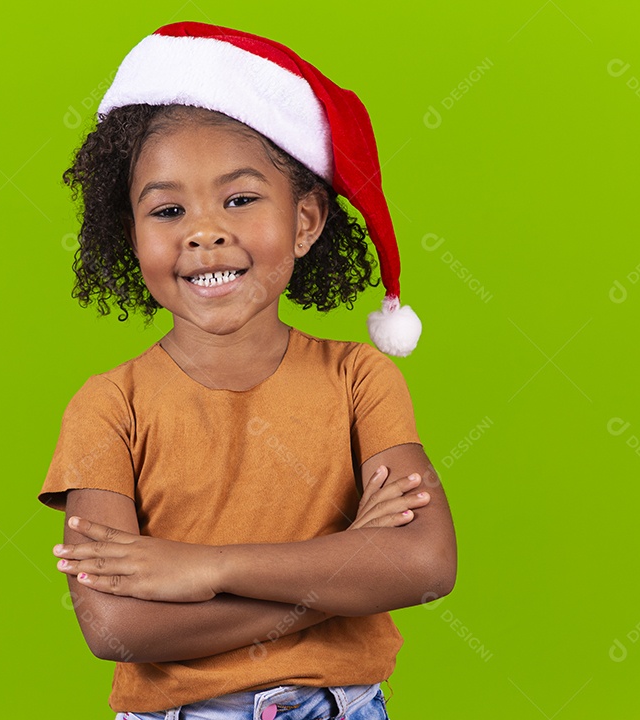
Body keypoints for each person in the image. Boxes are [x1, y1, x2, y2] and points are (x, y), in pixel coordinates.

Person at [38, 22, 457, 720]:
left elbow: (423, 565)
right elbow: (115, 627)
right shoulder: (109, 405)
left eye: (239, 199)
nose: (204, 231)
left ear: (305, 220)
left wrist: (206, 570)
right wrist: (346, 565)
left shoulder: (360, 380)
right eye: (168, 210)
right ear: (131, 235)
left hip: (343, 707)